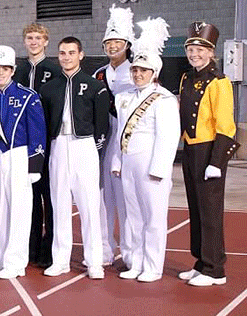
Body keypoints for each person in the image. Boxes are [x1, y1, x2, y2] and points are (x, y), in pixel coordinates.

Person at [110, 17, 179, 283]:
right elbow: (120, 133)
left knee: (153, 219)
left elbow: (168, 137)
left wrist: (159, 169)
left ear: (154, 73)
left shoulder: (163, 99)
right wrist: (117, 161)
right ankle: (136, 262)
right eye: (135, 70)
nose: (138, 74)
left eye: (143, 71)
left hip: (151, 167)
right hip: (128, 165)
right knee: (132, 217)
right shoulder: (124, 98)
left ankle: (152, 266)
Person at [39, 37, 110, 280]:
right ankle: (60, 260)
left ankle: (94, 262)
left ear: (81, 54)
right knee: (58, 207)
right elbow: (45, 125)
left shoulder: (94, 86)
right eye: (62, 53)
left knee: (90, 207)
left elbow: (102, 126)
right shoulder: (48, 88)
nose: (66, 57)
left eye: (71, 52)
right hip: (58, 146)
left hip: (85, 146)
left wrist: (96, 152)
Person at [178, 22, 239, 287]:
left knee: (210, 212)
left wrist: (217, 162)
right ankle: (201, 262)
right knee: (196, 209)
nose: (195, 54)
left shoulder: (219, 81)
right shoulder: (186, 78)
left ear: (211, 52)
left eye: (201, 50)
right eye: (191, 49)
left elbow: (226, 125)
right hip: (190, 148)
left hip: (209, 150)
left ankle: (216, 269)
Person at [0, 46, 46, 279]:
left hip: (19, 156)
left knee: (18, 209)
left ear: (12, 70)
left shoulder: (28, 96)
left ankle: (15, 263)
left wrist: (34, 165)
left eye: (4, 69)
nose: (0, 73)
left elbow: (38, 132)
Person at [13, 22, 61, 268]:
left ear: (45, 41)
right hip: (22, 145)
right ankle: (29, 245)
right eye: (29, 37)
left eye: (37, 38)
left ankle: (49, 247)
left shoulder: (54, 70)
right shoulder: (17, 71)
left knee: (49, 198)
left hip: (47, 143)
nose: (33, 42)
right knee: (27, 199)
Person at [93, 4, 136, 267]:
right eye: (108, 42)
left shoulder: (137, 71)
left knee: (127, 200)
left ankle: (131, 253)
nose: (112, 46)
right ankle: (104, 249)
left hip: (128, 140)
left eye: (117, 42)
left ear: (127, 44)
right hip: (104, 139)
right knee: (102, 198)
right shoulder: (99, 73)